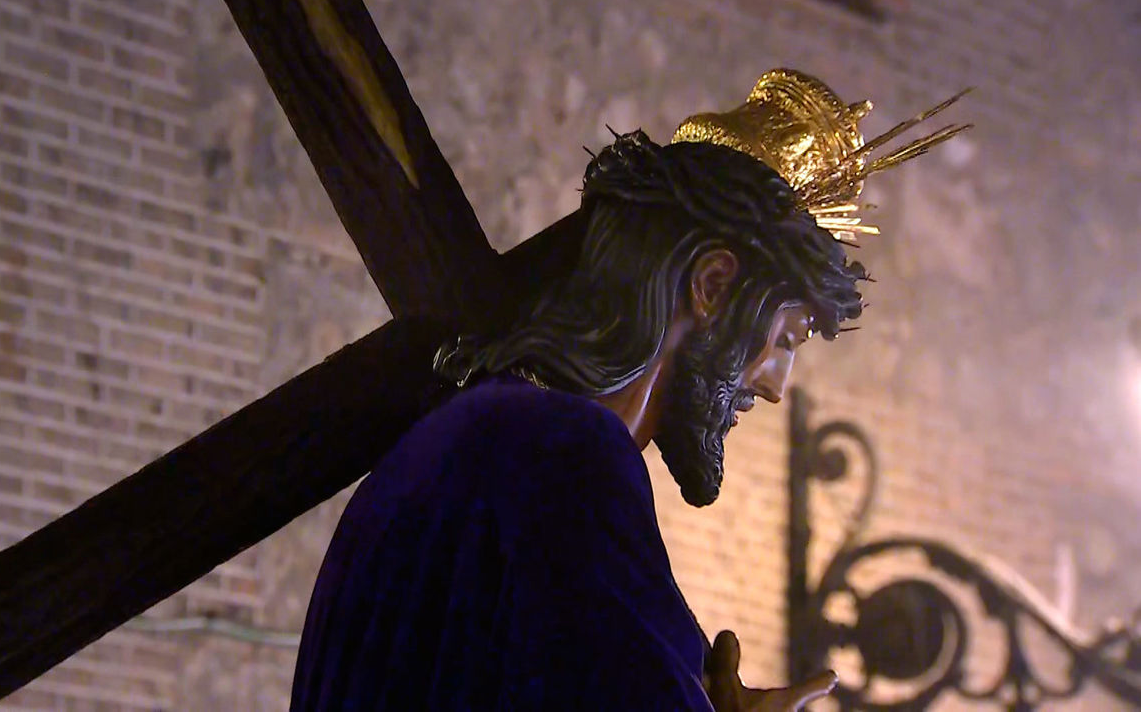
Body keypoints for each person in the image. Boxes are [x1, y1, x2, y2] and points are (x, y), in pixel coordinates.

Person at [289, 69, 966, 711]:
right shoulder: (563, 454)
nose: (775, 385)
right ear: (712, 284)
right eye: (784, 339)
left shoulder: (474, 431)